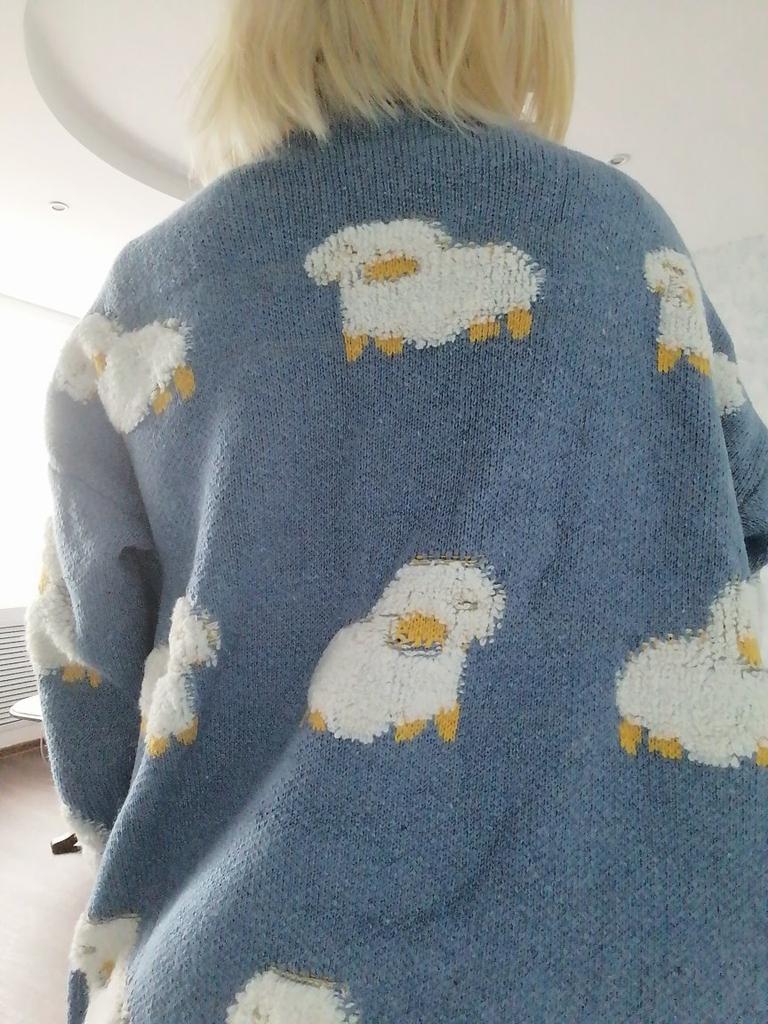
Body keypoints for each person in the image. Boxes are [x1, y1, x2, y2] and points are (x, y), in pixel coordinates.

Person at [26, 2, 768, 1022]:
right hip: (635, 971)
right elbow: (745, 507)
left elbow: (81, 665)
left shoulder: (146, 294)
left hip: (228, 968)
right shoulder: (627, 244)